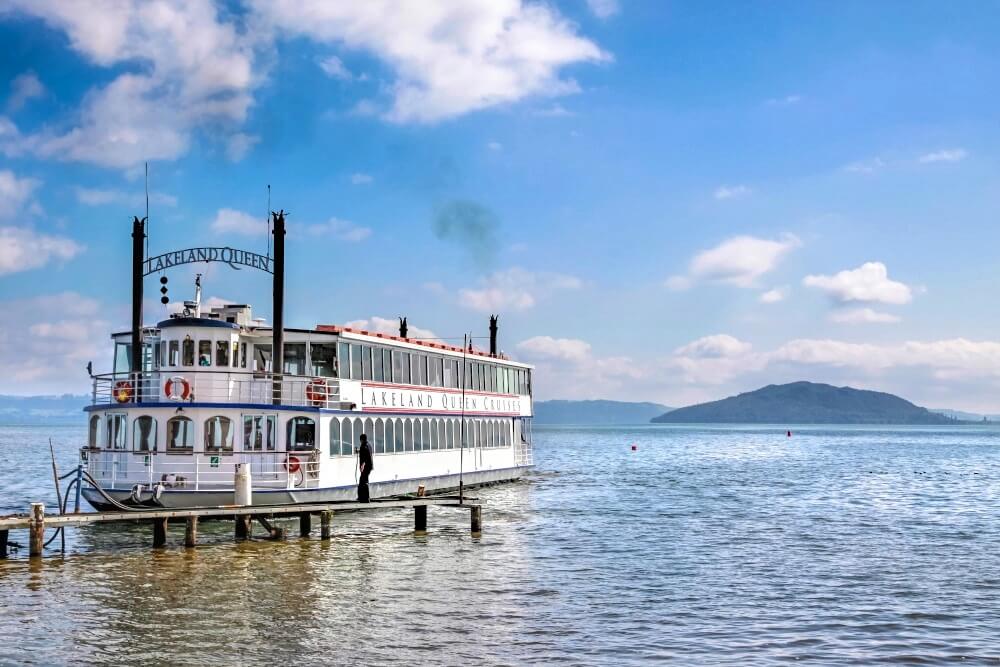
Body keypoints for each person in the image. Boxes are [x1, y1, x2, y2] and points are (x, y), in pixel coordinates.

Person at [357, 433, 374, 502]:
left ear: (361, 439)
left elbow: (364, 457)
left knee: (363, 481)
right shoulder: (369, 445)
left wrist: (362, 466)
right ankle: (364, 497)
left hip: (366, 466)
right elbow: (368, 454)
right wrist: (359, 451)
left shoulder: (363, 446)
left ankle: (365, 498)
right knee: (364, 481)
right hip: (370, 466)